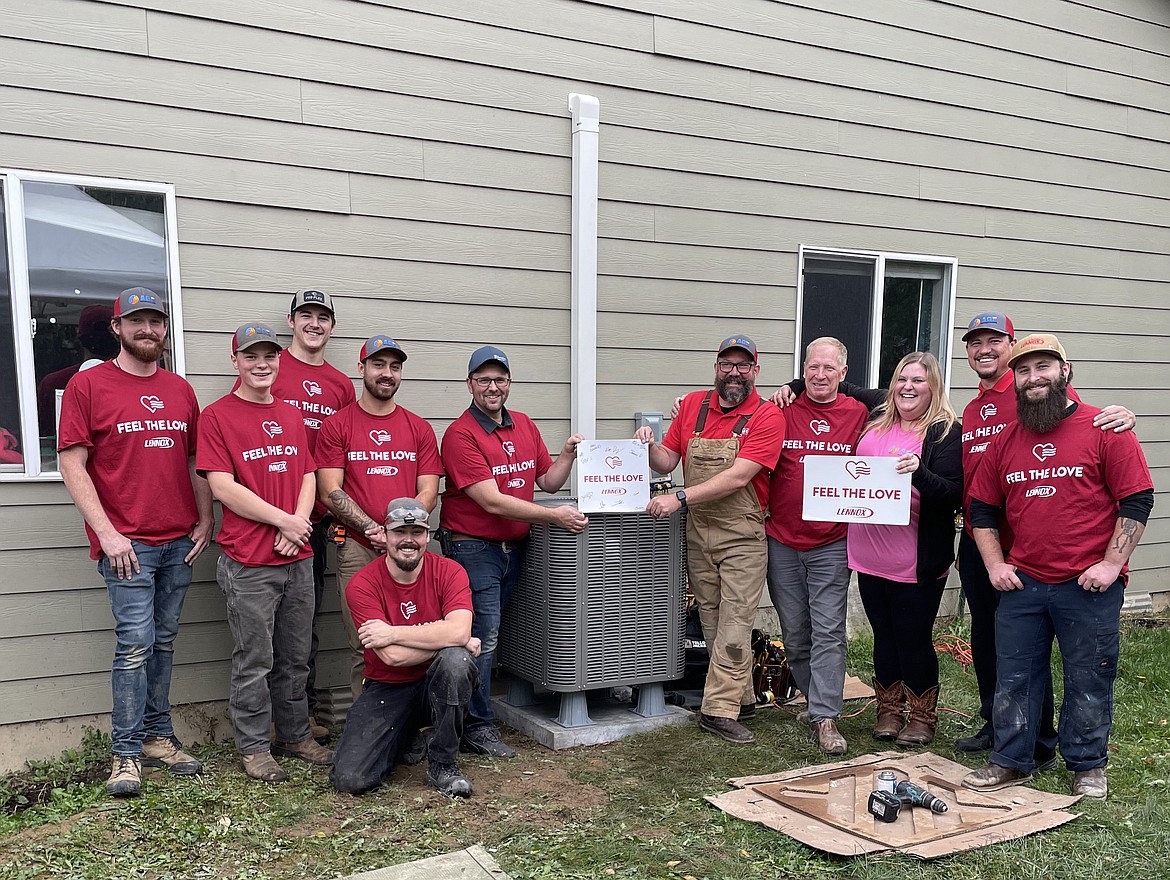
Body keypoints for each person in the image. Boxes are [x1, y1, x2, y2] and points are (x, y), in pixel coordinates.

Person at [963, 334, 1153, 800]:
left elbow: (1137, 499)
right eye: (1025, 371)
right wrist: (994, 564)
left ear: (1066, 372)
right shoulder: (1006, 440)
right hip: (1023, 584)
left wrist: (1111, 565)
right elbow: (981, 509)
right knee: (1015, 677)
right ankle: (1012, 760)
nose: (1034, 378)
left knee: (1089, 676)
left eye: (1044, 367)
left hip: (1087, 585)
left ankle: (1087, 765)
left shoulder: (1104, 428)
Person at [58, 287, 213, 798]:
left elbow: (194, 462)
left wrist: (204, 518)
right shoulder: (90, 386)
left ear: (164, 330)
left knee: (163, 642)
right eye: (137, 322)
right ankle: (125, 755)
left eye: (156, 322)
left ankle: (157, 738)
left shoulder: (180, 390)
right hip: (127, 545)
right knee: (133, 646)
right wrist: (106, 533)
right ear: (117, 328)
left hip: (177, 541)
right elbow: (71, 462)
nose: (148, 330)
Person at [198, 322, 334, 782]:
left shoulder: (292, 415)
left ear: (279, 361)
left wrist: (297, 525)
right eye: (251, 356)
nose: (262, 365)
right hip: (251, 561)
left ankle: (294, 735)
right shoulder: (217, 416)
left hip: (296, 557)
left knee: (296, 656)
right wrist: (284, 521)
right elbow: (221, 486)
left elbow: (308, 475)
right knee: (255, 659)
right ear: (234, 360)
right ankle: (254, 746)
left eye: (269, 357)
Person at [439, 345, 587, 758]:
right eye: (483, 380)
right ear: (470, 384)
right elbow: (491, 501)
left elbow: (548, 480)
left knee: (493, 634)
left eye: (499, 379)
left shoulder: (523, 424)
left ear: (509, 383)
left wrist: (567, 456)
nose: (492, 387)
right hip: (473, 548)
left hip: (513, 549)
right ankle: (475, 727)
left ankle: (475, 716)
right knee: (482, 636)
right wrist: (554, 518)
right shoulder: (460, 434)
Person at [637, 335, 785, 745]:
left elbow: (738, 476)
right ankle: (744, 697)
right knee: (712, 618)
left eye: (743, 366)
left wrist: (678, 497)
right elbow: (669, 460)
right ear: (716, 368)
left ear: (755, 371)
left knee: (736, 621)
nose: (733, 373)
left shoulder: (768, 417)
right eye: (726, 365)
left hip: (743, 533)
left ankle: (716, 710)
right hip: (699, 530)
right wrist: (649, 448)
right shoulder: (691, 406)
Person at [245, 289, 355, 737]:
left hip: (318, 519)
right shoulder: (270, 366)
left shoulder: (340, 384)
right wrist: (282, 517)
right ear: (291, 320)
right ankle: (267, 717)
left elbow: (346, 445)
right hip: (267, 517)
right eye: (305, 315)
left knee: (303, 623)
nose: (314, 323)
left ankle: (299, 716)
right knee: (263, 626)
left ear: (332, 325)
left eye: (323, 317)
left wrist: (317, 516)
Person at [317, 335, 442, 698]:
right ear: (361, 369)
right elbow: (330, 491)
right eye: (378, 364)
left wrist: (398, 531)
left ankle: (414, 725)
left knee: (417, 635)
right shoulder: (338, 425)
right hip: (357, 548)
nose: (386, 373)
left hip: (409, 549)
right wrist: (374, 529)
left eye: (394, 366)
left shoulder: (418, 428)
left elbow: (429, 493)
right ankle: (368, 728)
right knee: (365, 642)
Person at [847, 352, 963, 747]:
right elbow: (843, 386)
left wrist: (919, 472)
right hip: (869, 551)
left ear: (934, 388)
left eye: (919, 380)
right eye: (902, 379)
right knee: (883, 635)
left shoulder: (944, 432)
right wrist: (792, 387)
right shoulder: (875, 423)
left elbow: (952, 494)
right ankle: (889, 710)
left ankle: (923, 716)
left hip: (915, 557)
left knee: (913, 636)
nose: (908, 387)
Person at [330, 499, 480, 797]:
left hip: (436, 683)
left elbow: (459, 630)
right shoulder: (362, 583)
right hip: (388, 686)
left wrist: (393, 632)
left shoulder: (450, 572)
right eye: (400, 532)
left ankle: (443, 765)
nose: (408, 540)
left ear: (427, 536)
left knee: (456, 661)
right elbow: (392, 656)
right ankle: (409, 736)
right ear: (384, 535)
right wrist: (447, 638)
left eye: (417, 531)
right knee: (351, 779)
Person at [763, 338, 870, 755]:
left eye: (829, 368)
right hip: (782, 540)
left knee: (829, 630)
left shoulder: (860, 414)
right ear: (802, 369)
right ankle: (814, 701)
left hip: (832, 541)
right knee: (794, 634)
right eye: (812, 367)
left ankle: (826, 717)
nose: (820, 375)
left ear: (844, 374)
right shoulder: (780, 410)